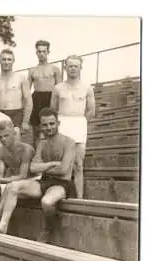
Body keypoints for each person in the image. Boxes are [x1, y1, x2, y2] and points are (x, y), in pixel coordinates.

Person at [0, 108, 76, 242]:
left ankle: (48, 228)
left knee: (47, 202)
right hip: (43, 182)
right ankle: (2, 225)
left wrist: (43, 168)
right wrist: (51, 164)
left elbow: (63, 170)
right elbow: (34, 167)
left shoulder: (69, 142)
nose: (48, 128)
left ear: (58, 123)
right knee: (13, 186)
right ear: (40, 126)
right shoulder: (42, 143)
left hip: (62, 183)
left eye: (52, 124)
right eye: (45, 125)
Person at [51, 55, 95, 199]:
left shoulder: (87, 87)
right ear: (65, 67)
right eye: (70, 66)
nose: (73, 68)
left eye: (76, 66)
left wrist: (80, 123)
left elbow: (91, 111)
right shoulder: (58, 88)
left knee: (78, 164)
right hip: (62, 123)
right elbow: (53, 110)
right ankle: (61, 195)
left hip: (78, 124)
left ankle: (79, 198)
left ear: (80, 68)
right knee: (62, 163)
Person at [28, 40, 62, 149]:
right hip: (36, 99)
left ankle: (53, 152)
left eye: (44, 51)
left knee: (51, 128)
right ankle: (38, 155)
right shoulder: (32, 71)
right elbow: (27, 90)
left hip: (50, 98)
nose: (41, 54)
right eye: (39, 51)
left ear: (48, 52)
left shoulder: (55, 69)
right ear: (36, 53)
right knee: (37, 130)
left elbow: (60, 89)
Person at [0, 49, 33, 133]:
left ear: (13, 61)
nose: (6, 62)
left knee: (15, 142)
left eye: (9, 59)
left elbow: (28, 100)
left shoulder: (20, 78)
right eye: (4, 59)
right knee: (0, 142)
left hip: (16, 114)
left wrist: (25, 121)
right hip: (0, 113)